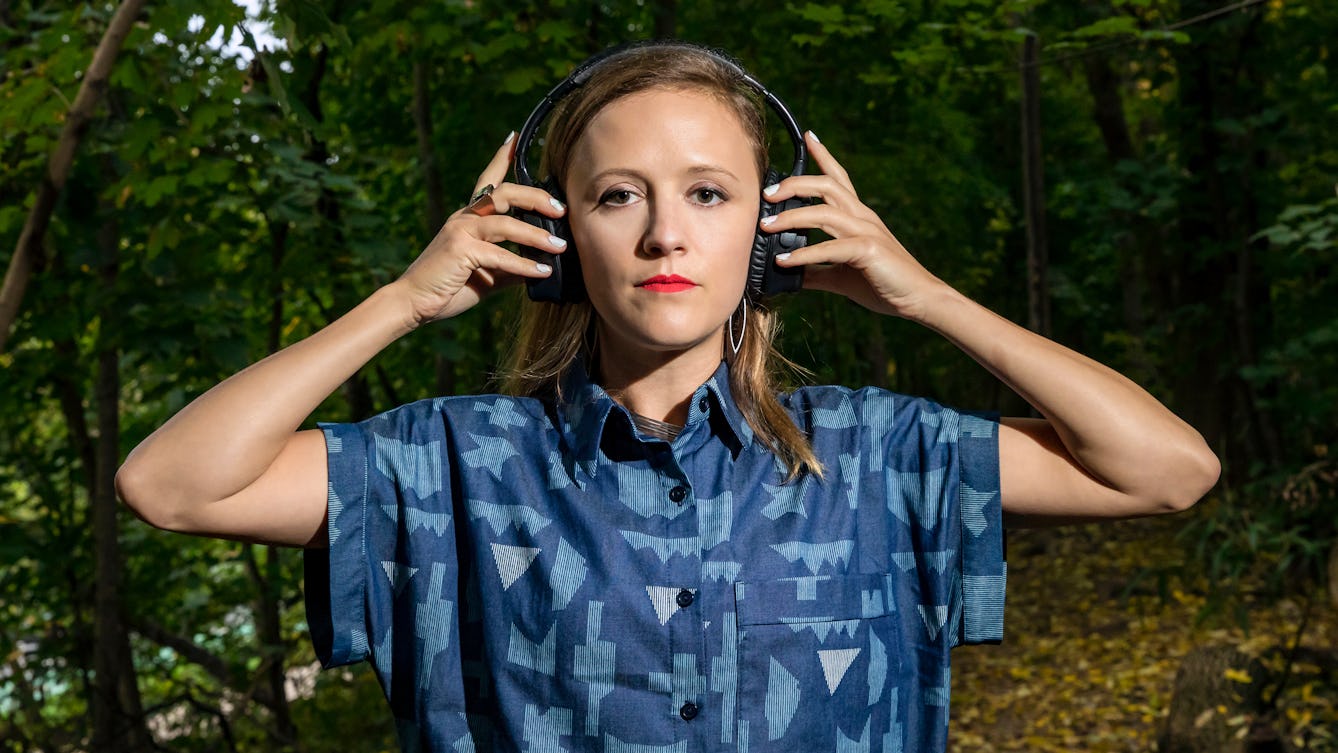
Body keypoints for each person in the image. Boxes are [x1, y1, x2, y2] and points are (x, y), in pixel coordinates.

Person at [117, 41, 1219, 753]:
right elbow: (170, 485)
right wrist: (402, 302)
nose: (664, 234)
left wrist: (927, 297)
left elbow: (1169, 472)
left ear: (770, 233)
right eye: (614, 196)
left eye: (707, 192)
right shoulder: (450, 465)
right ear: (554, 238)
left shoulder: (881, 453)